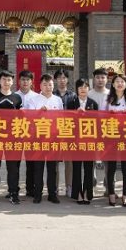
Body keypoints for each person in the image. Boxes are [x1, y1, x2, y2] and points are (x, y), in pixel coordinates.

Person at [24, 74, 63, 204]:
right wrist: (39, 112)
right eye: (45, 84)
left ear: (53, 85)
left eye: (50, 84)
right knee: (38, 168)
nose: (47, 87)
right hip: (38, 138)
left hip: (53, 138)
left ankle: (52, 194)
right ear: (40, 86)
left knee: (52, 169)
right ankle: (37, 194)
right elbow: (29, 118)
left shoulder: (58, 100)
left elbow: (62, 118)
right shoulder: (33, 100)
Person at [0, 70, 23, 204]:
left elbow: (22, 117)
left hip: (12, 138)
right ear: (0, 81)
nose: (6, 82)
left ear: (12, 82)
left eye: (9, 80)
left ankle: (13, 192)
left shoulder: (17, 98)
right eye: (4, 79)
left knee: (12, 167)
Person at [104, 74, 126, 207]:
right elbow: (101, 117)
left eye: (122, 82)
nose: (119, 84)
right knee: (111, 167)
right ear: (112, 84)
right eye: (117, 81)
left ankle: (125, 196)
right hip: (111, 136)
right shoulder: (108, 99)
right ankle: (111, 194)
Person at [67, 78, 99, 204]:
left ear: (88, 89)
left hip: (89, 140)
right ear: (77, 89)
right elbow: (67, 121)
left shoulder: (93, 103)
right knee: (76, 168)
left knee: (88, 168)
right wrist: (76, 114)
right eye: (80, 87)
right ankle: (78, 194)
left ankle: (87, 193)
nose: (83, 89)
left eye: (85, 87)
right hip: (75, 140)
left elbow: (97, 122)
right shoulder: (71, 103)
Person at [16, 70, 39, 198]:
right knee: (15, 163)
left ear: (31, 82)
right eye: (23, 79)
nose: (25, 82)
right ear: (19, 81)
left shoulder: (37, 97)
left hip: (32, 134)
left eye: (27, 80)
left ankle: (30, 188)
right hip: (16, 133)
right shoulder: (13, 96)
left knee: (31, 163)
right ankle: (14, 188)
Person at [87, 68, 111, 196]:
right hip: (91, 130)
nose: (100, 80)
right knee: (90, 157)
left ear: (107, 79)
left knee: (108, 159)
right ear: (93, 79)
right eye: (98, 77)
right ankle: (91, 183)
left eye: (103, 77)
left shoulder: (111, 94)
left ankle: (109, 187)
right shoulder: (88, 94)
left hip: (107, 130)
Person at [53, 69, 76, 198]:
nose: (62, 80)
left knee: (69, 162)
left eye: (64, 78)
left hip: (68, 132)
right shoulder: (51, 95)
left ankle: (69, 187)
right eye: (59, 78)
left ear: (67, 79)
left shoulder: (73, 95)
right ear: (56, 80)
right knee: (55, 162)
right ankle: (55, 187)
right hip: (54, 133)